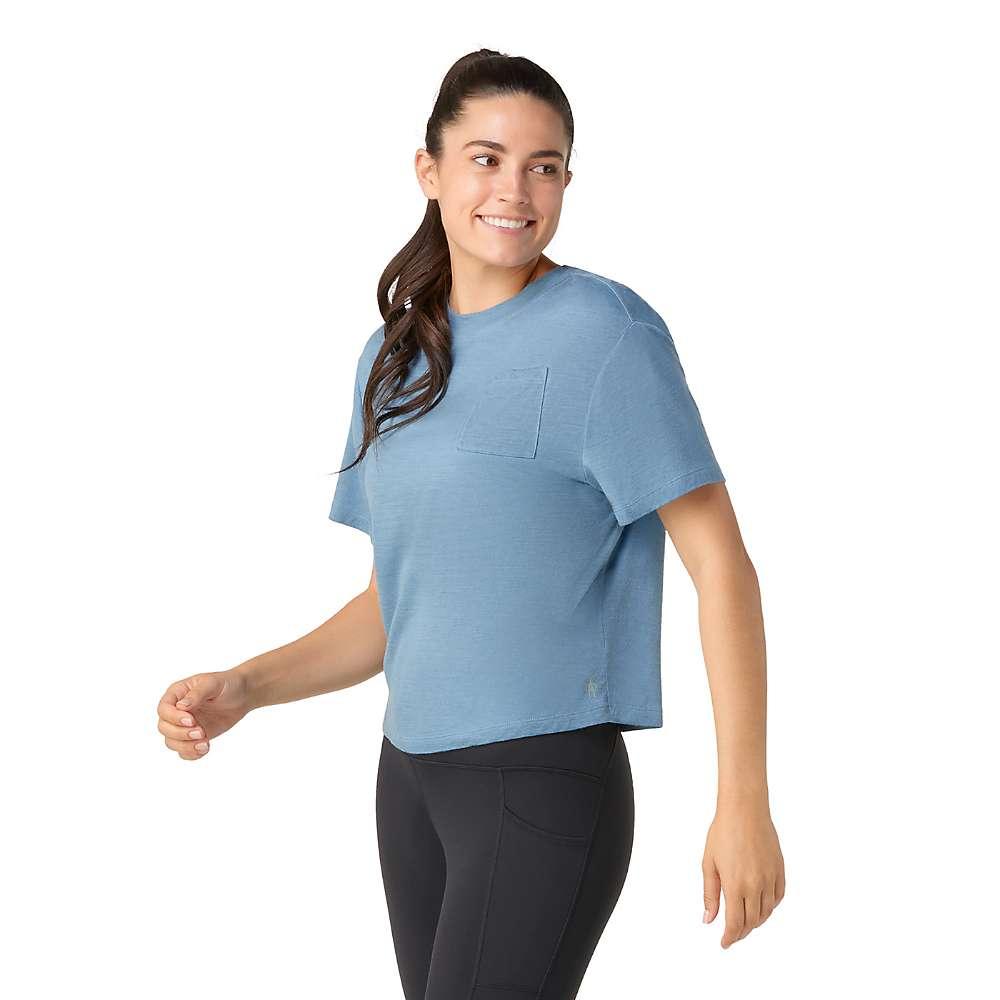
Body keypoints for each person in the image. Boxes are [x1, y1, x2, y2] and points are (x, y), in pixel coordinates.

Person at [156, 49, 785, 998]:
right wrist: (247, 686)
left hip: (539, 780)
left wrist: (743, 799)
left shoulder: (606, 336)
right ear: (430, 170)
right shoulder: (393, 358)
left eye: (544, 166)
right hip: (409, 782)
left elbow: (723, 566)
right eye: (486, 159)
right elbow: (399, 606)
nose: (515, 191)